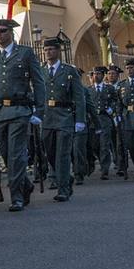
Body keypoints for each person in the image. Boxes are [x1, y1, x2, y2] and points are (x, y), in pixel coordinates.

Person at [0, 18, 46, 212]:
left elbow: (38, 82)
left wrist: (39, 110)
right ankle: (26, 185)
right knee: (5, 153)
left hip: (20, 110)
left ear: (11, 33)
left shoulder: (25, 54)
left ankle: (17, 196)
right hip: (0, 111)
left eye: (2, 31)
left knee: (16, 155)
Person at [40, 37, 84, 201]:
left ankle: (63, 189)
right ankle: (66, 177)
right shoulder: (41, 71)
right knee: (50, 153)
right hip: (46, 117)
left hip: (64, 115)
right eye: (45, 50)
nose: (48, 53)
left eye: (51, 49)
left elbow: (79, 97)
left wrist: (80, 120)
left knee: (62, 154)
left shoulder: (69, 71)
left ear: (58, 51)